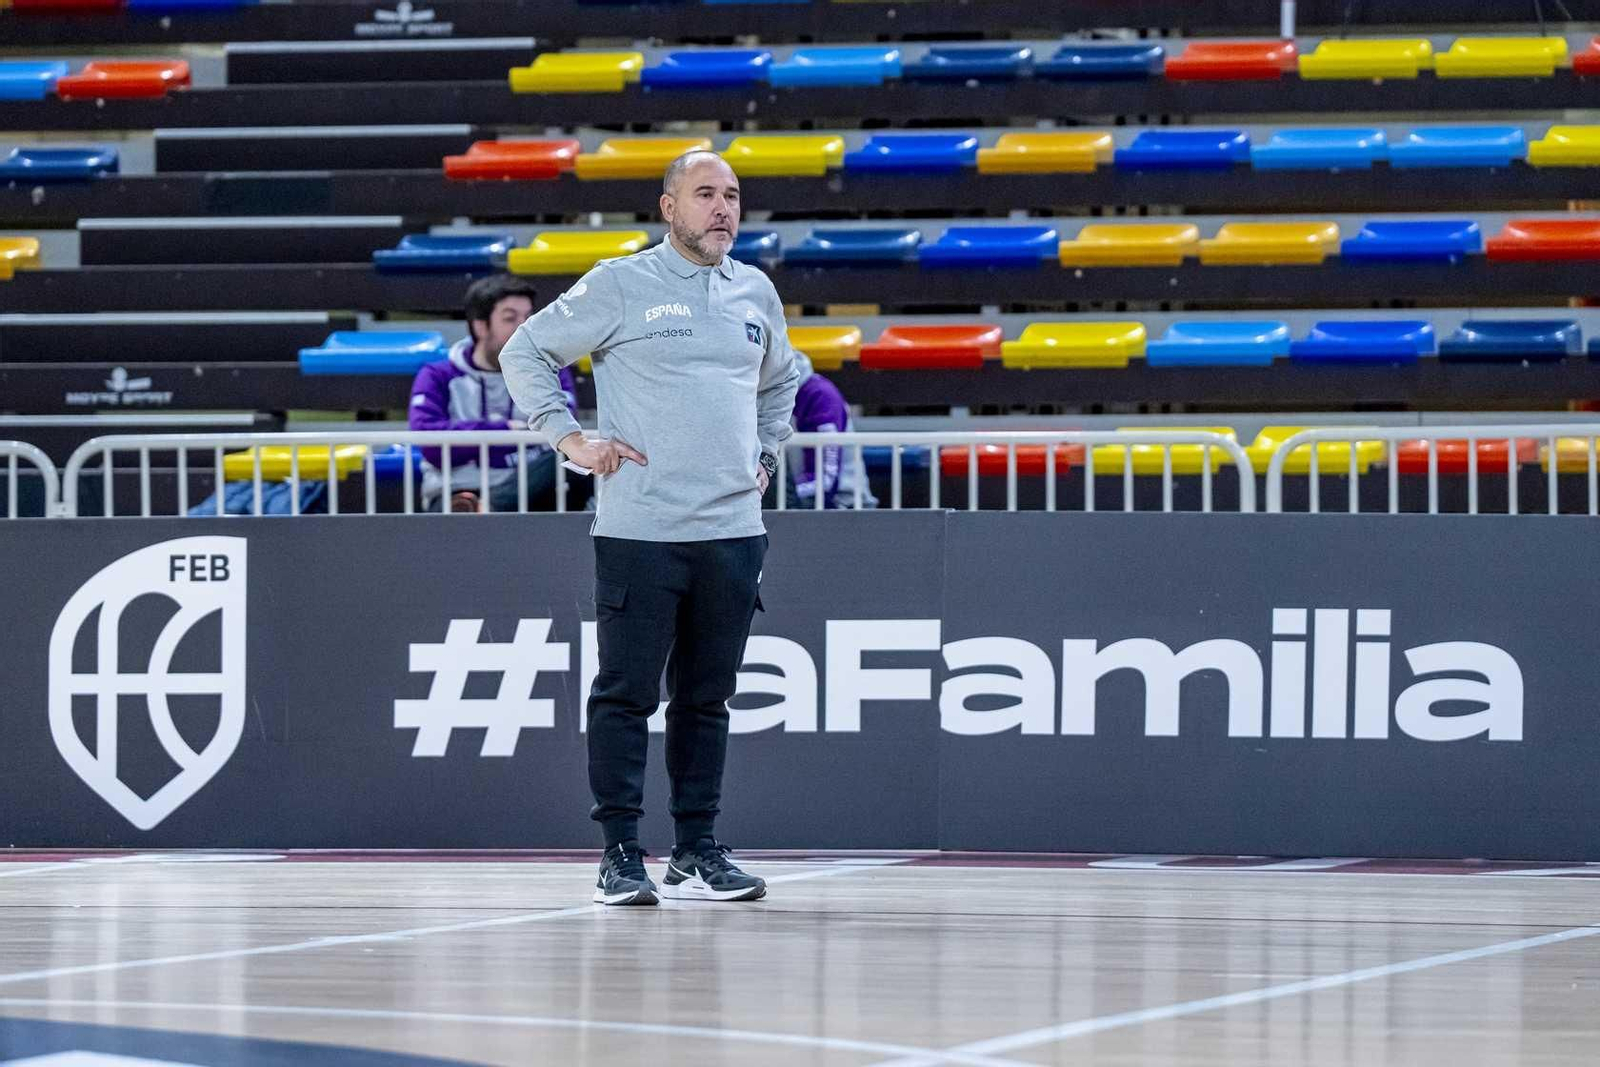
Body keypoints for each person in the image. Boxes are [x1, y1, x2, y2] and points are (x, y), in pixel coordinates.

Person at [501, 150, 799, 906]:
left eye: (732, 194)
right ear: (669, 207)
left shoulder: (755, 291)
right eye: (705, 194)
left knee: (707, 698)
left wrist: (765, 451)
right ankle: (620, 853)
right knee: (626, 694)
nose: (722, 207)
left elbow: (783, 381)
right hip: (640, 529)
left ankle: (696, 849)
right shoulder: (620, 284)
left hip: (733, 530)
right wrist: (569, 439)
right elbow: (525, 349)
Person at [408, 274, 588, 513]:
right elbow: (430, 444)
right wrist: (506, 431)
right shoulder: (437, 375)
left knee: (573, 459)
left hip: (534, 488)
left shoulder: (552, 371)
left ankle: (488, 507)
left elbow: (563, 432)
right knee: (454, 509)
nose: (524, 327)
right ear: (480, 326)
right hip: (458, 492)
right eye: (510, 318)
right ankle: (482, 506)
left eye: (528, 317)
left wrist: (477, 445)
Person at [777, 351, 878, 510]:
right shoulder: (766, 395)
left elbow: (827, 479)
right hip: (803, 503)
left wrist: (776, 494)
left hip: (846, 507)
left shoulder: (820, 395)